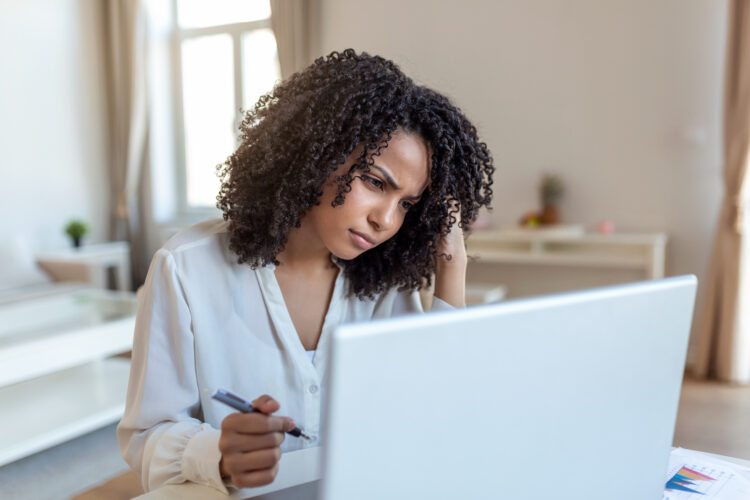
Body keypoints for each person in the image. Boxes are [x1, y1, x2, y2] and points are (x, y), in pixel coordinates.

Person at [117, 49, 494, 494]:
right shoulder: (186, 268)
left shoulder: (382, 282)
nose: (387, 220)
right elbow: (146, 436)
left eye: (408, 204)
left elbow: (440, 410)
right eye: (375, 182)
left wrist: (452, 262)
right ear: (316, 155)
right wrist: (218, 453)